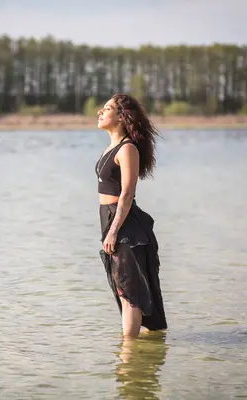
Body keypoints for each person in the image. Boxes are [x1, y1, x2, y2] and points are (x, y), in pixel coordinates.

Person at [95, 93, 167, 338]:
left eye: (107, 109)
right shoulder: (112, 147)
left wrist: (114, 230)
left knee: (130, 294)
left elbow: (127, 194)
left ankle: (130, 354)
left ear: (121, 116)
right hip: (112, 219)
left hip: (125, 225)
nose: (100, 112)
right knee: (123, 290)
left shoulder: (127, 149)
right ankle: (132, 347)